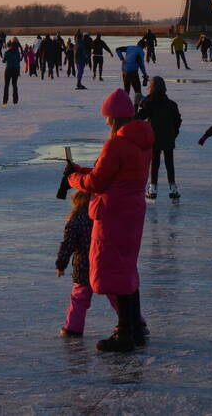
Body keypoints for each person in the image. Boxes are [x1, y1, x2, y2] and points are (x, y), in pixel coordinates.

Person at [65, 89, 153, 352]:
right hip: (132, 212)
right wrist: (81, 169)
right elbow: (113, 174)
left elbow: (98, 182)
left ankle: (124, 332)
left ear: (115, 118)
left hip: (113, 214)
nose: (105, 122)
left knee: (115, 270)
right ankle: (135, 329)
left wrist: (73, 179)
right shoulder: (142, 142)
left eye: (107, 117)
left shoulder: (116, 144)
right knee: (127, 270)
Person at [55, 190, 95, 337]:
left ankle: (73, 328)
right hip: (102, 263)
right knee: (116, 294)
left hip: (83, 266)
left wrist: (61, 265)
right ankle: (134, 322)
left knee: (78, 299)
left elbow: (67, 245)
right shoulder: (99, 217)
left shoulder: (75, 221)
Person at [135, 77, 182, 200]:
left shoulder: (149, 104)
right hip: (168, 138)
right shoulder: (172, 104)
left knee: (155, 163)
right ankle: (173, 188)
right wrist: (174, 133)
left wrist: (137, 104)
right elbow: (178, 120)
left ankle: (153, 188)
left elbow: (138, 117)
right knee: (169, 163)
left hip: (154, 138)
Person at [115, 40, 148, 104]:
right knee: (138, 92)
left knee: (126, 91)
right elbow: (141, 64)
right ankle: (135, 110)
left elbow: (117, 49)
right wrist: (144, 74)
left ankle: (124, 107)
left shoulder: (130, 47)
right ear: (143, 46)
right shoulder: (141, 51)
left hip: (124, 72)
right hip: (133, 72)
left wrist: (121, 58)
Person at [2, 38, 22, 105]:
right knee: (14, 85)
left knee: (6, 85)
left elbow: (4, 60)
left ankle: (5, 101)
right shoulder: (17, 53)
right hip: (15, 70)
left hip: (8, 70)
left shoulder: (7, 52)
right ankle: (15, 100)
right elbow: (19, 60)